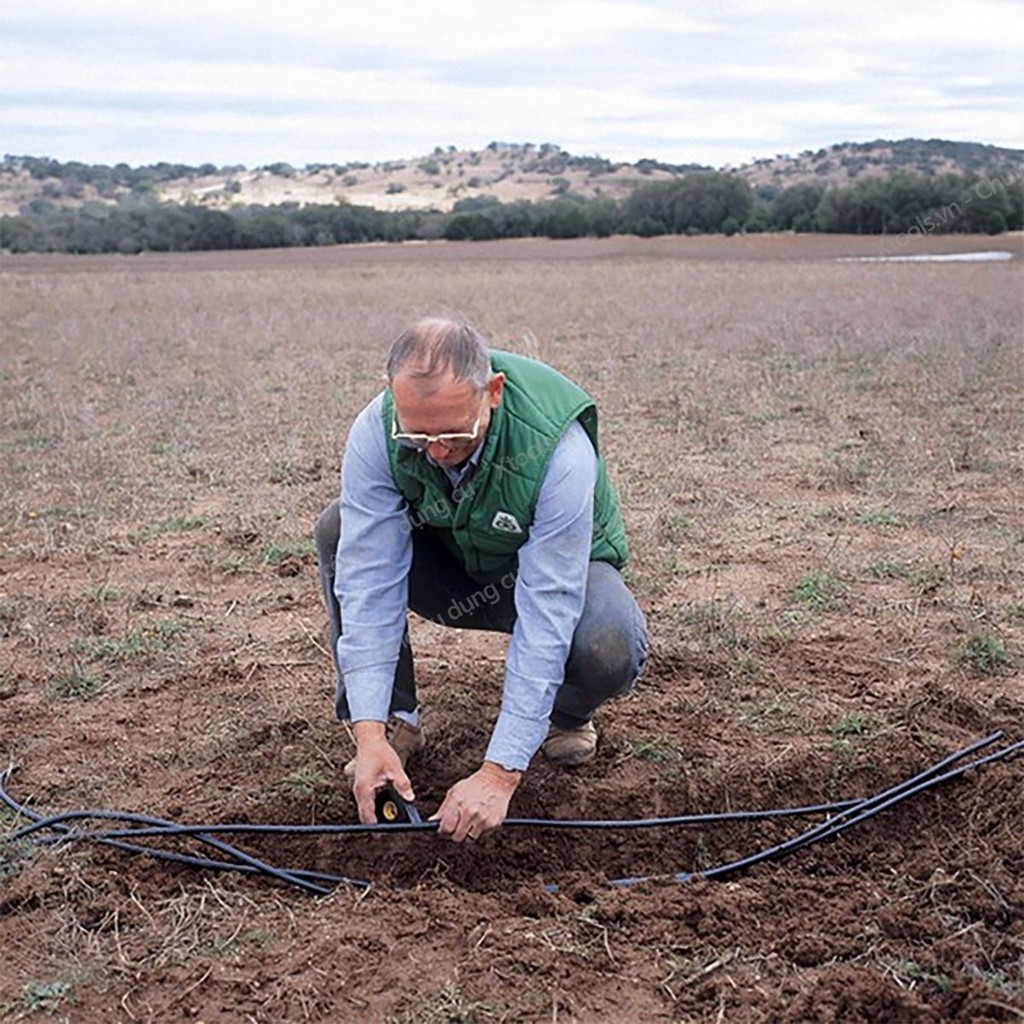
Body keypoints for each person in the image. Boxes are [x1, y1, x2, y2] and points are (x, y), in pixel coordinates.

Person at [314, 317, 647, 843]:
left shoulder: (555, 449)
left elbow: (549, 606)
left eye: (454, 434)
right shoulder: (376, 432)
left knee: (606, 639)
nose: (438, 451)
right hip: (452, 571)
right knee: (340, 528)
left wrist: (500, 772)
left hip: (548, 579)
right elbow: (369, 582)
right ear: (393, 397)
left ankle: (566, 714)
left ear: (491, 392)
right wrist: (367, 729)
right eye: (420, 436)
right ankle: (397, 723)